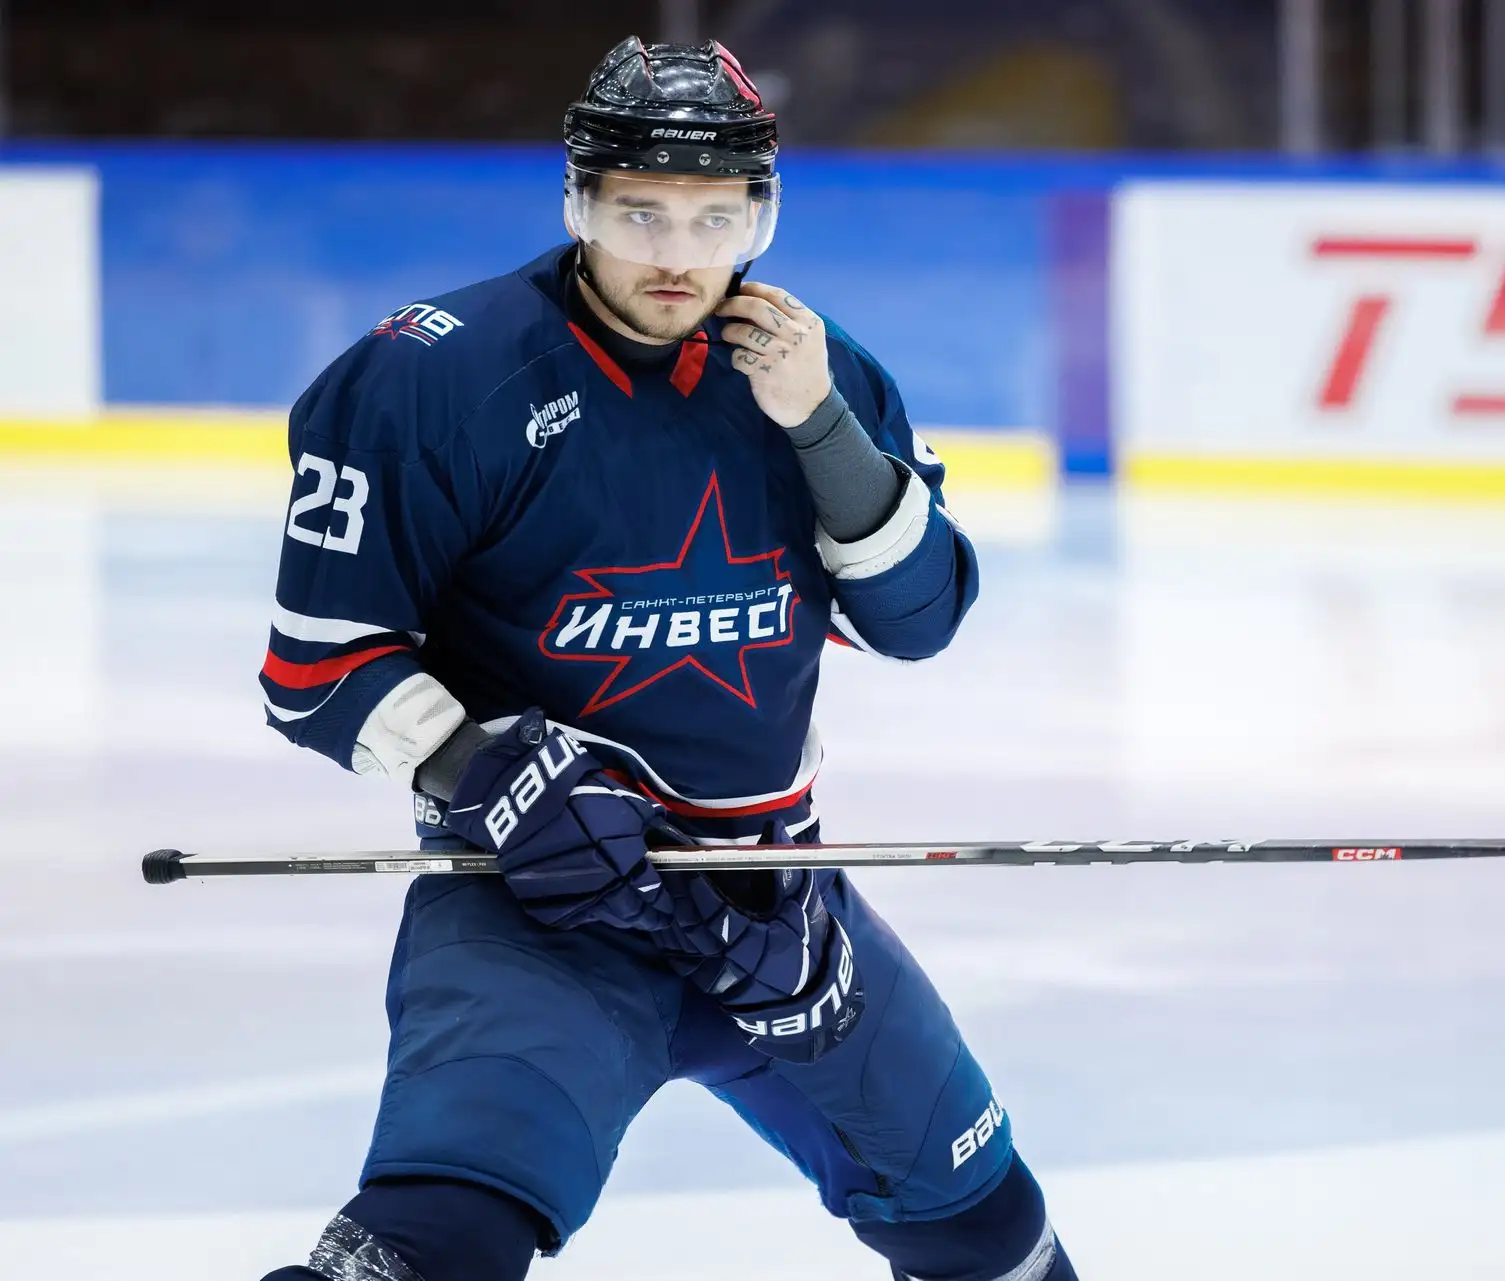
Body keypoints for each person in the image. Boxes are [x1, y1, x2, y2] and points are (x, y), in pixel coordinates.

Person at [255, 37, 1074, 1281]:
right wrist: (482, 769)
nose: (679, 255)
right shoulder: (432, 377)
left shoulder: (817, 371)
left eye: (716, 216)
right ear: (579, 201)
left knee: (990, 1232)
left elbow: (915, 620)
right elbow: (316, 663)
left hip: (783, 915)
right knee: (438, 1239)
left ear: (761, 214)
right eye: (640, 212)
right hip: (540, 911)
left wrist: (822, 429)